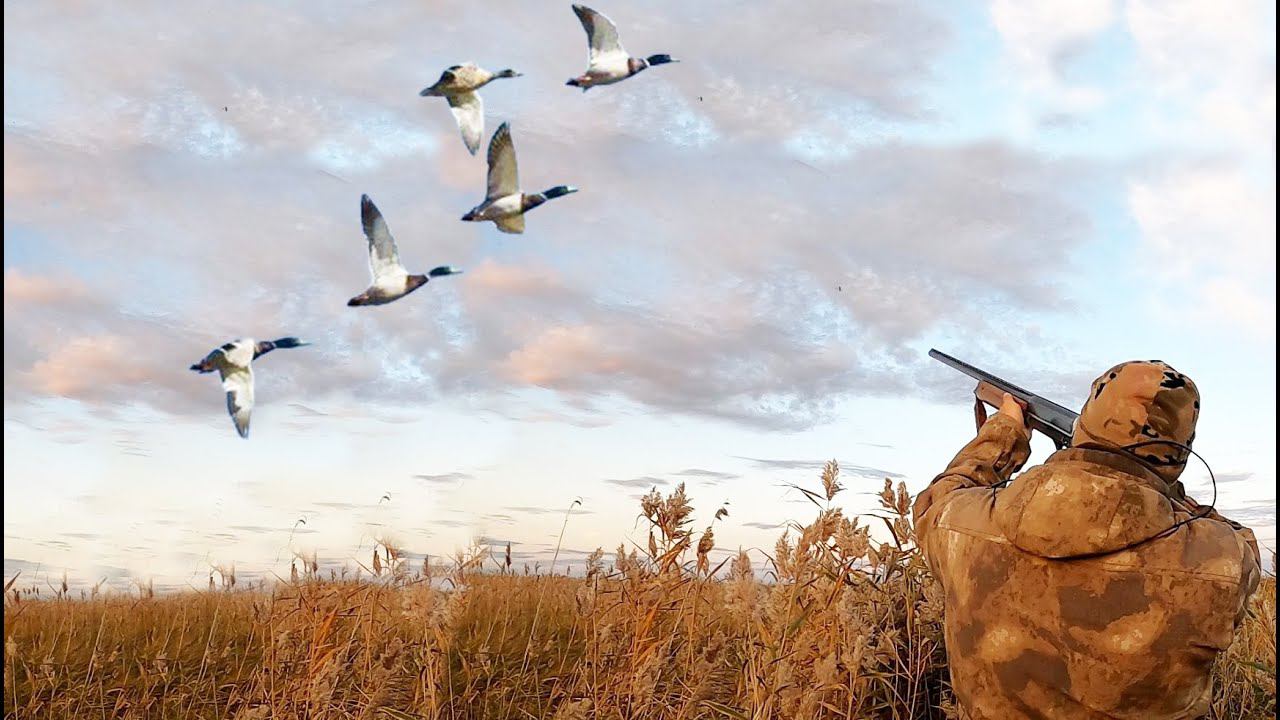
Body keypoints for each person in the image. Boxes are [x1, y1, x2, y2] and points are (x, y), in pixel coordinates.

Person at [914, 361, 1261, 719]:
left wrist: (1005, 431)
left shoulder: (961, 524)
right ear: (1181, 452)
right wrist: (1160, 483)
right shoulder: (1224, 562)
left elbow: (937, 499)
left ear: (1086, 421)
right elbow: (1237, 540)